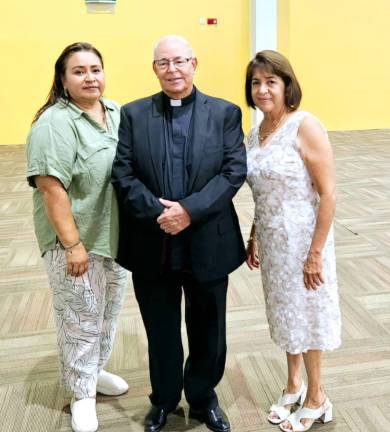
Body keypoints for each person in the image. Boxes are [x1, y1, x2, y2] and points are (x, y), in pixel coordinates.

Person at [111, 35, 246, 432]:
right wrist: (162, 213)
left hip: (206, 239)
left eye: (180, 61)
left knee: (208, 328)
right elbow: (123, 173)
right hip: (153, 241)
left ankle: (203, 398)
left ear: (194, 63)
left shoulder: (224, 113)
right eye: (164, 63)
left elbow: (233, 171)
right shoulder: (133, 115)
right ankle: (164, 401)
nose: (173, 69)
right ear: (154, 69)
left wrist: (189, 211)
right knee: (161, 327)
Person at [26, 42, 128, 432]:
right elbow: (52, 190)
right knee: (79, 318)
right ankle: (81, 394)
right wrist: (72, 244)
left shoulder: (115, 112)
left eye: (96, 69)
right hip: (75, 241)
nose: (90, 77)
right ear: (63, 80)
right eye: (79, 71)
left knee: (106, 313)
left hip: (114, 235)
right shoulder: (54, 124)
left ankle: (94, 372)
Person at [245, 50, 341, 432]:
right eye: (256, 82)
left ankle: (318, 398)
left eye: (271, 81)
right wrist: (253, 235)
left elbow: (329, 193)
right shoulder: (256, 132)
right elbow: (264, 192)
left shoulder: (305, 125)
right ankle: (293, 385)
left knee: (308, 315)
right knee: (285, 314)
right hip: (272, 241)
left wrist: (315, 253)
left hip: (305, 240)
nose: (263, 89)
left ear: (287, 85)